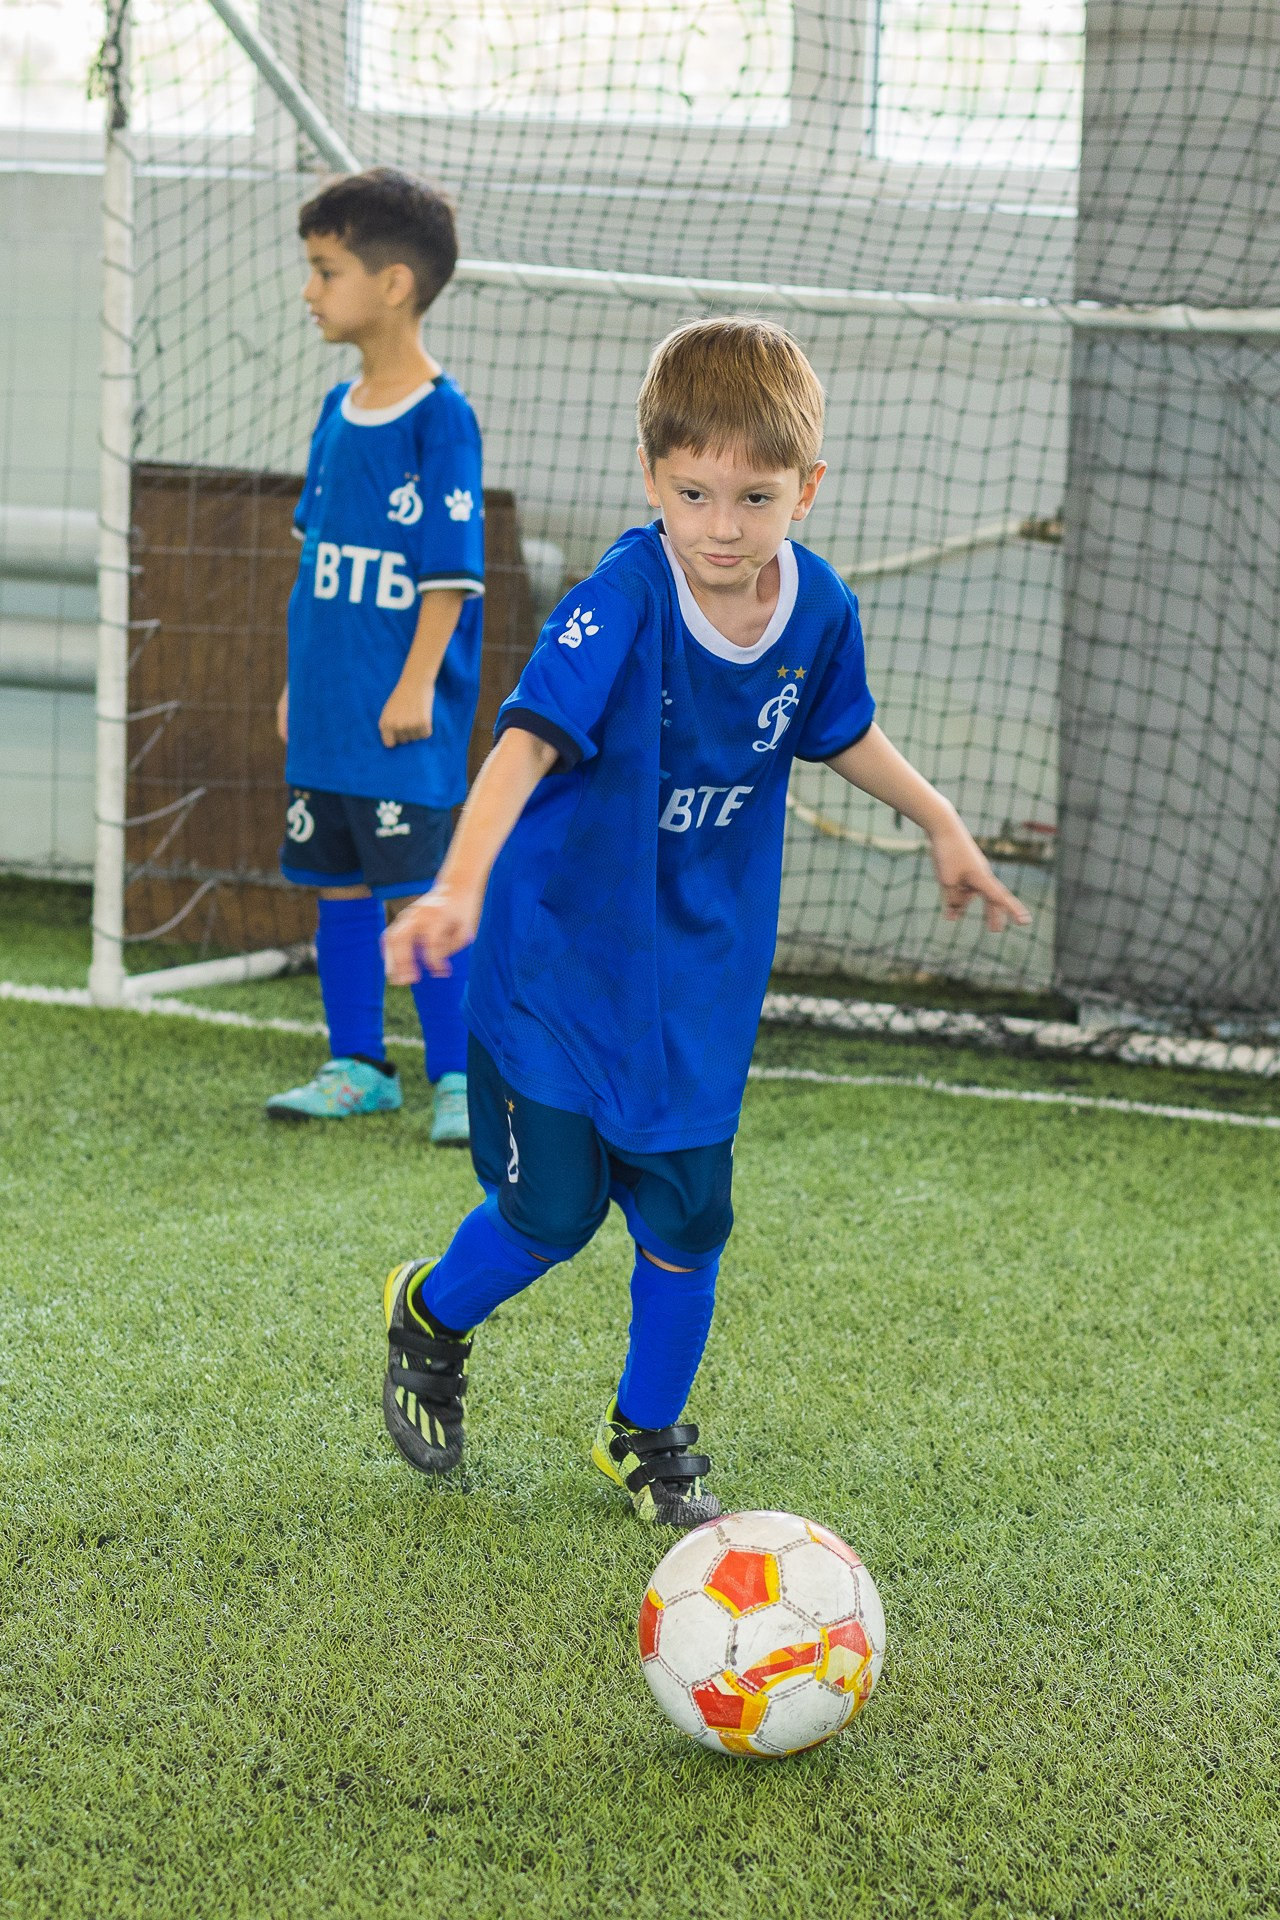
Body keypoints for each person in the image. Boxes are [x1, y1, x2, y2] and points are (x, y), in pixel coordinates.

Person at [380, 316, 1029, 1524]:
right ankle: (427, 1315)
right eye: (693, 492)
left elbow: (839, 733)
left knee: (685, 1226)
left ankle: (643, 1433)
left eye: (754, 495)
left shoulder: (819, 610)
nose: (721, 527)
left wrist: (939, 820)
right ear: (652, 480)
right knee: (551, 1216)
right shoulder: (619, 600)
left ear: (806, 490)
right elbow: (521, 748)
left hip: (697, 984)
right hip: (560, 974)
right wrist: (458, 884)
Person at [267, 168, 484, 1146]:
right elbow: (315, 559)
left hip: (401, 716)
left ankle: (456, 1079)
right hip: (324, 711)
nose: (309, 291)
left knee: (417, 889)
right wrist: (292, 683)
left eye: (324, 270)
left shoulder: (442, 420)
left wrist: (414, 684)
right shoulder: (331, 412)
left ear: (392, 284)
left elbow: (448, 576)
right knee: (338, 886)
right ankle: (357, 1065)